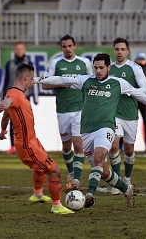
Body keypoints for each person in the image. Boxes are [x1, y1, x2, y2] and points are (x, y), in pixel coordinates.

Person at [38, 53, 146, 209]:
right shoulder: (86, 80)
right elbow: (61, 80)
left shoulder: (118, 83)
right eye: (95, 68)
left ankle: (90, 195)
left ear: (109, 67)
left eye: (101, 68)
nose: (98, 71)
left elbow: (140, 95)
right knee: (104, 172)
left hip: (106, 127)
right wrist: (35, 81)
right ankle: (126, 189)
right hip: (87, 131)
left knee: (99, 157)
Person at [0, 63, 74, 215]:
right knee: (55, 172)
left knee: (40, 168)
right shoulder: (15, 95)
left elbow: (6, 115)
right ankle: (57, 206)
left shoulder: (12, 92)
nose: (32, 83)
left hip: (31, 141)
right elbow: (8, 103)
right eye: (31, 80)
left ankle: (37, 194)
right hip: (27, 145)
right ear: (25, 78)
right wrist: (3, 105)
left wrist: (3, 129)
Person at [42, 34, 92, 192]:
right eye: (64, 47)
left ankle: (76, 180)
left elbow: (91, 83)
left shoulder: (84, 63)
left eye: (70, 46)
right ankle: (71, 172)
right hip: (63, 110)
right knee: (66, 146)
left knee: (79, 145)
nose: (68, 49)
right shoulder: (56, 63)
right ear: (61, 48)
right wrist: (59, 82)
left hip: (80, 109)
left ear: (75, 47)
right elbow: (44, 85)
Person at [107, 38, 146, 195]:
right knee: (114, 146)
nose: (119, 52)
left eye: (122, 49)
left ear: (127, 51)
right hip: (114, 114)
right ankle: (117, 181)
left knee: (129, 150)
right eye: (117, 49)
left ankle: (127, 178)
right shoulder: (109, 68)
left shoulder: (135, 68)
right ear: (114, 50)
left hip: (131, 114)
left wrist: (130, 90)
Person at [3, 41, 34, 155]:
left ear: (24, 50)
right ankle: (13, 146)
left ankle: (27, 144)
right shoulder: (9, 64)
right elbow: (5, 81)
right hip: (12, 97)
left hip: (25, 97)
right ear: (14, 50)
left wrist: (34, 97)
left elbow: (32, 81)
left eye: (21, 49)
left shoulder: (29, 63)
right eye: (17, 49)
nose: (19, 51)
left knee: (26, 121)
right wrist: (3, 96)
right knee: (13, 122)